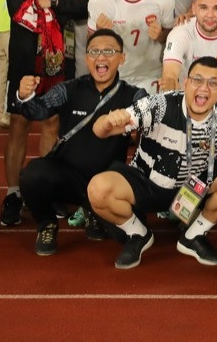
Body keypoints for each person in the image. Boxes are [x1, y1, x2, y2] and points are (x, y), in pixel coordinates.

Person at [89, 56, 217, 268]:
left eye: (213, 83)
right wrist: (108, 120)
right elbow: (99, 131)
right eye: (197, 80)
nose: (204, 88)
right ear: (186, 83)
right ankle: (139, 234)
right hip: (146, 184)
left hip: (191, 190)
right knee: (98, 188)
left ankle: (193, 235)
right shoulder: (160, 104)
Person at [12, 28, 146, 255]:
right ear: (86, 58)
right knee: (31, 175)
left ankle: (95, 210)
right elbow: (38, 110)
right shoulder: (69, 88)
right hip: (68, 176)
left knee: (129, 232)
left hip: (107, 181)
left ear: (122, 58)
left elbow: (150, 123)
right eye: (94, 51)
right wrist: (24, 96)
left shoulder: (134, 95)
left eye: (109, 51)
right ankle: (47, 224)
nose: (101, 57)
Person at [0, 0, 94, 227]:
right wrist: (64, 1)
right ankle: (13, 193)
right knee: (19, 124)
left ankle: (44, 190)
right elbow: (18, 9)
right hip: (26, 55)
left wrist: (51, 1)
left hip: (61, 57)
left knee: (53, 122)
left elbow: (85, 7)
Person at [86, 0, 176, 91]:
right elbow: (91, 43)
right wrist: (99, 32)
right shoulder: (99, 1)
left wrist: (160, 35)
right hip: (114, 75)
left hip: (151, 74)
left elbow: (170, 38)